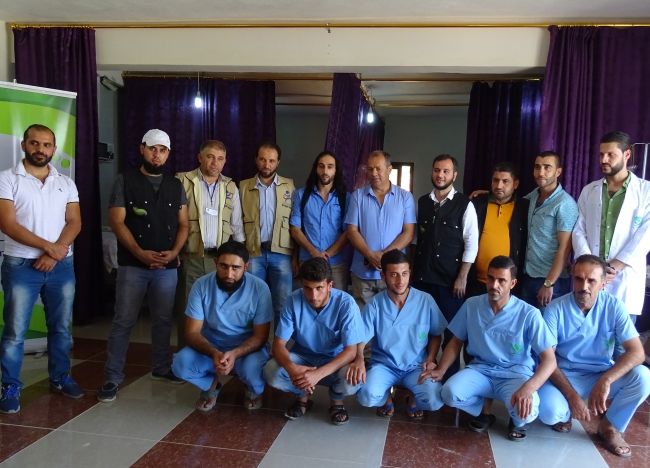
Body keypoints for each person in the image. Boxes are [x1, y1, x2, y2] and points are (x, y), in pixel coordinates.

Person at [98, 129, 189, 403]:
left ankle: (161, 368)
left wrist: (174, 253)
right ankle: (112, 376)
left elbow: (184, 225)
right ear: (142, 149)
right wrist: (140, 253)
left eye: (162, 150)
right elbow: (116, 222)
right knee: (124, 320)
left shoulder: (175, 185)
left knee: (163, 320)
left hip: (166, 268)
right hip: (133, 266)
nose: (157, 154)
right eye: (152, 149)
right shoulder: (125, 181)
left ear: (168, 154)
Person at [0, 125, 83, 414]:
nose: (41, 149)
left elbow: (75, 222)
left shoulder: (66, 182)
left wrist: (55, 253)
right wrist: (51, 248)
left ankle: (60, 377)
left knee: (60, 327)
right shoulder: (7, 179)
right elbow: (8, 224)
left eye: (47, 145)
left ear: (54, 149)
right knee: (14, 332)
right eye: (35, 143)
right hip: (21, 265)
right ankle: (10, 385)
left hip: (61, 266)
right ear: (24, 145)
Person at [429, 256, 557, 441]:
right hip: (480, 371)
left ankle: (516, 420)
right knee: (449, 393)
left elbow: (550, 360)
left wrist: (529, 389)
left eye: (501, 280)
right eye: (490, 278)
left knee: (526, 413)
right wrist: (441, 369)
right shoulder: (472, 305)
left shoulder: (529, 314)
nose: (494, 285)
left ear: (512, 283)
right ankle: (484, 410)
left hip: (515, 374)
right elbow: (456, 341)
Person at [538, 255, 650, 458]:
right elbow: (547, 359)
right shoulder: (555, 308)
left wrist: (606, 379)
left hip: (599, 374)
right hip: (564, 375)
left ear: (603, 283)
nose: (584, 286)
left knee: (643, 377)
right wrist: (572, 397)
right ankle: (567, 411)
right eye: (579, 279)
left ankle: (609, 427)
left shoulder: (614, 306)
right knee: (549, 413)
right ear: (572, 278)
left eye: (591, 281)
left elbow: (637, 352)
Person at [171, 241, 272, 411]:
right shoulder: (201, 285)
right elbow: (192, 332)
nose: (229, 274)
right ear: (215, 262)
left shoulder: (260, 288)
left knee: (254, 373)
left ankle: (251, 389)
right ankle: (211, 385)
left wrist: (235, 353)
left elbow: (261, 336)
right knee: (180, 364)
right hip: (211, 345)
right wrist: (214, 353)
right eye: (223, 266)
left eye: (236, 268)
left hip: (246, 348)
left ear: (246, 267)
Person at [348, 250, 447, 420]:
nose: (400, 281)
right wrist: (359, 358)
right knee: (366, 396)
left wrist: (431, 359)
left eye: (404, 273)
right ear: (383, 276)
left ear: (410, 273)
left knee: (434, 400)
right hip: (384, 365)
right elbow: (361, 338)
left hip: (416, 366)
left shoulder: (425, 300)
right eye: (394, 274)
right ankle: (387, 398)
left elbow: (435, 334)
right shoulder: (375, 304)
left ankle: (413, 398)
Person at [263, 258, 361, 425]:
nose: (313, 296)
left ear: (330, 285)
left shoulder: (346, 304)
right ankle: (302, 395)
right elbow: (278, 345)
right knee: (271, 372)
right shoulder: (293, 300)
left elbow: (351, 351)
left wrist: (318, 374)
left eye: (319, 288)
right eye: (307, 288)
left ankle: (336, 400)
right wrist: (292, 369)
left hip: (334, 359)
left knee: (353, 380)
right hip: (303, 357)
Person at [573, 131, 650, 324]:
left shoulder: (645, 191)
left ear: (627, 154)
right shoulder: (589, 190)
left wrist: (613, 266)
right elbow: (579, 230)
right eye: (601, 154)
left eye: (610, 154)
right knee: (586, 335)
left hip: (624, 278)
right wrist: (592, 267)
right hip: (590, 280)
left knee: (621, 339)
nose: (604, 160)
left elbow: (645, 236)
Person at [412, 154, 478, 381]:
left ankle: (448, 379)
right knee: (421, 330)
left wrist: (462, 277)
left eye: (446, 171)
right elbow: (415, 241)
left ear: (454, 175)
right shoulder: (422, 202)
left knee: (452, 333)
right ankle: (418, 377)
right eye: (437, 170)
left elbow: (471, 244)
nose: (440, 175)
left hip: (450, 282)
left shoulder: (465, 205)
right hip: (422, 279)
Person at [174, 140, 245, 348]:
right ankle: (187, 355)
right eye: (210, 157)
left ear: (225, 162)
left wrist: (241, 257)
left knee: (218, 311)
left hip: (220, 261)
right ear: (200, 158)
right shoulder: (183, 181)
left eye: (220, 158)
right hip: (192, 257)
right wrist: (174, 250)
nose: (215, 162)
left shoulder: (230, 186)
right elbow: (172, 220)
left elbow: (237, 224)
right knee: (189, 310)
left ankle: (215, 354)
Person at [345, 150, 416, 311]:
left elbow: (409, 233)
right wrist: (369, 254)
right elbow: (352, 231)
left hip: (394, 273)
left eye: (378, 168)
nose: (374, 173)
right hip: (362, 273)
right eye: (370, 169)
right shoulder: (357, 196)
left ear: (389, 169)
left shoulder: (405, 197)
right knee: (362, 319)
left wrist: (384, 257)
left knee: (391, 317)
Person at [240, 142, 295, 330]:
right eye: (263, 160)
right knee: (252, 303)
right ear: (256, 160)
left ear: (278, 162)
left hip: (282, 254)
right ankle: (254, 344)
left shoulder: (289, 186)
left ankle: (280, 344)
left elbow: (295, 223)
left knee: (283, 304)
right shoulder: (243, 186)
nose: (266, 165)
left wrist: (295, 256)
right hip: (253, 252)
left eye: (271, 161)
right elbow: (237, 221)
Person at [290, 151, 350, 291]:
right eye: (321, 166)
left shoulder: (345, 198)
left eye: (330, 166)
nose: (325, 171)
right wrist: (314, 253)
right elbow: (295, 229)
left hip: (335, 264)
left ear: (336, 170)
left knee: (337, 301)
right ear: (316, 169)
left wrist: (327, 254)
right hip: (307, 261)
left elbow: (348, 232)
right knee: (308, 300)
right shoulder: (302, 195)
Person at [469, 162, 529, 297]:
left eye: (505, 181)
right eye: (495, 180)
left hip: (507, 286)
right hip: (476, 282)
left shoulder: (524, 208)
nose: (499, 186)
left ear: (515, 184)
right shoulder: (478, 203)